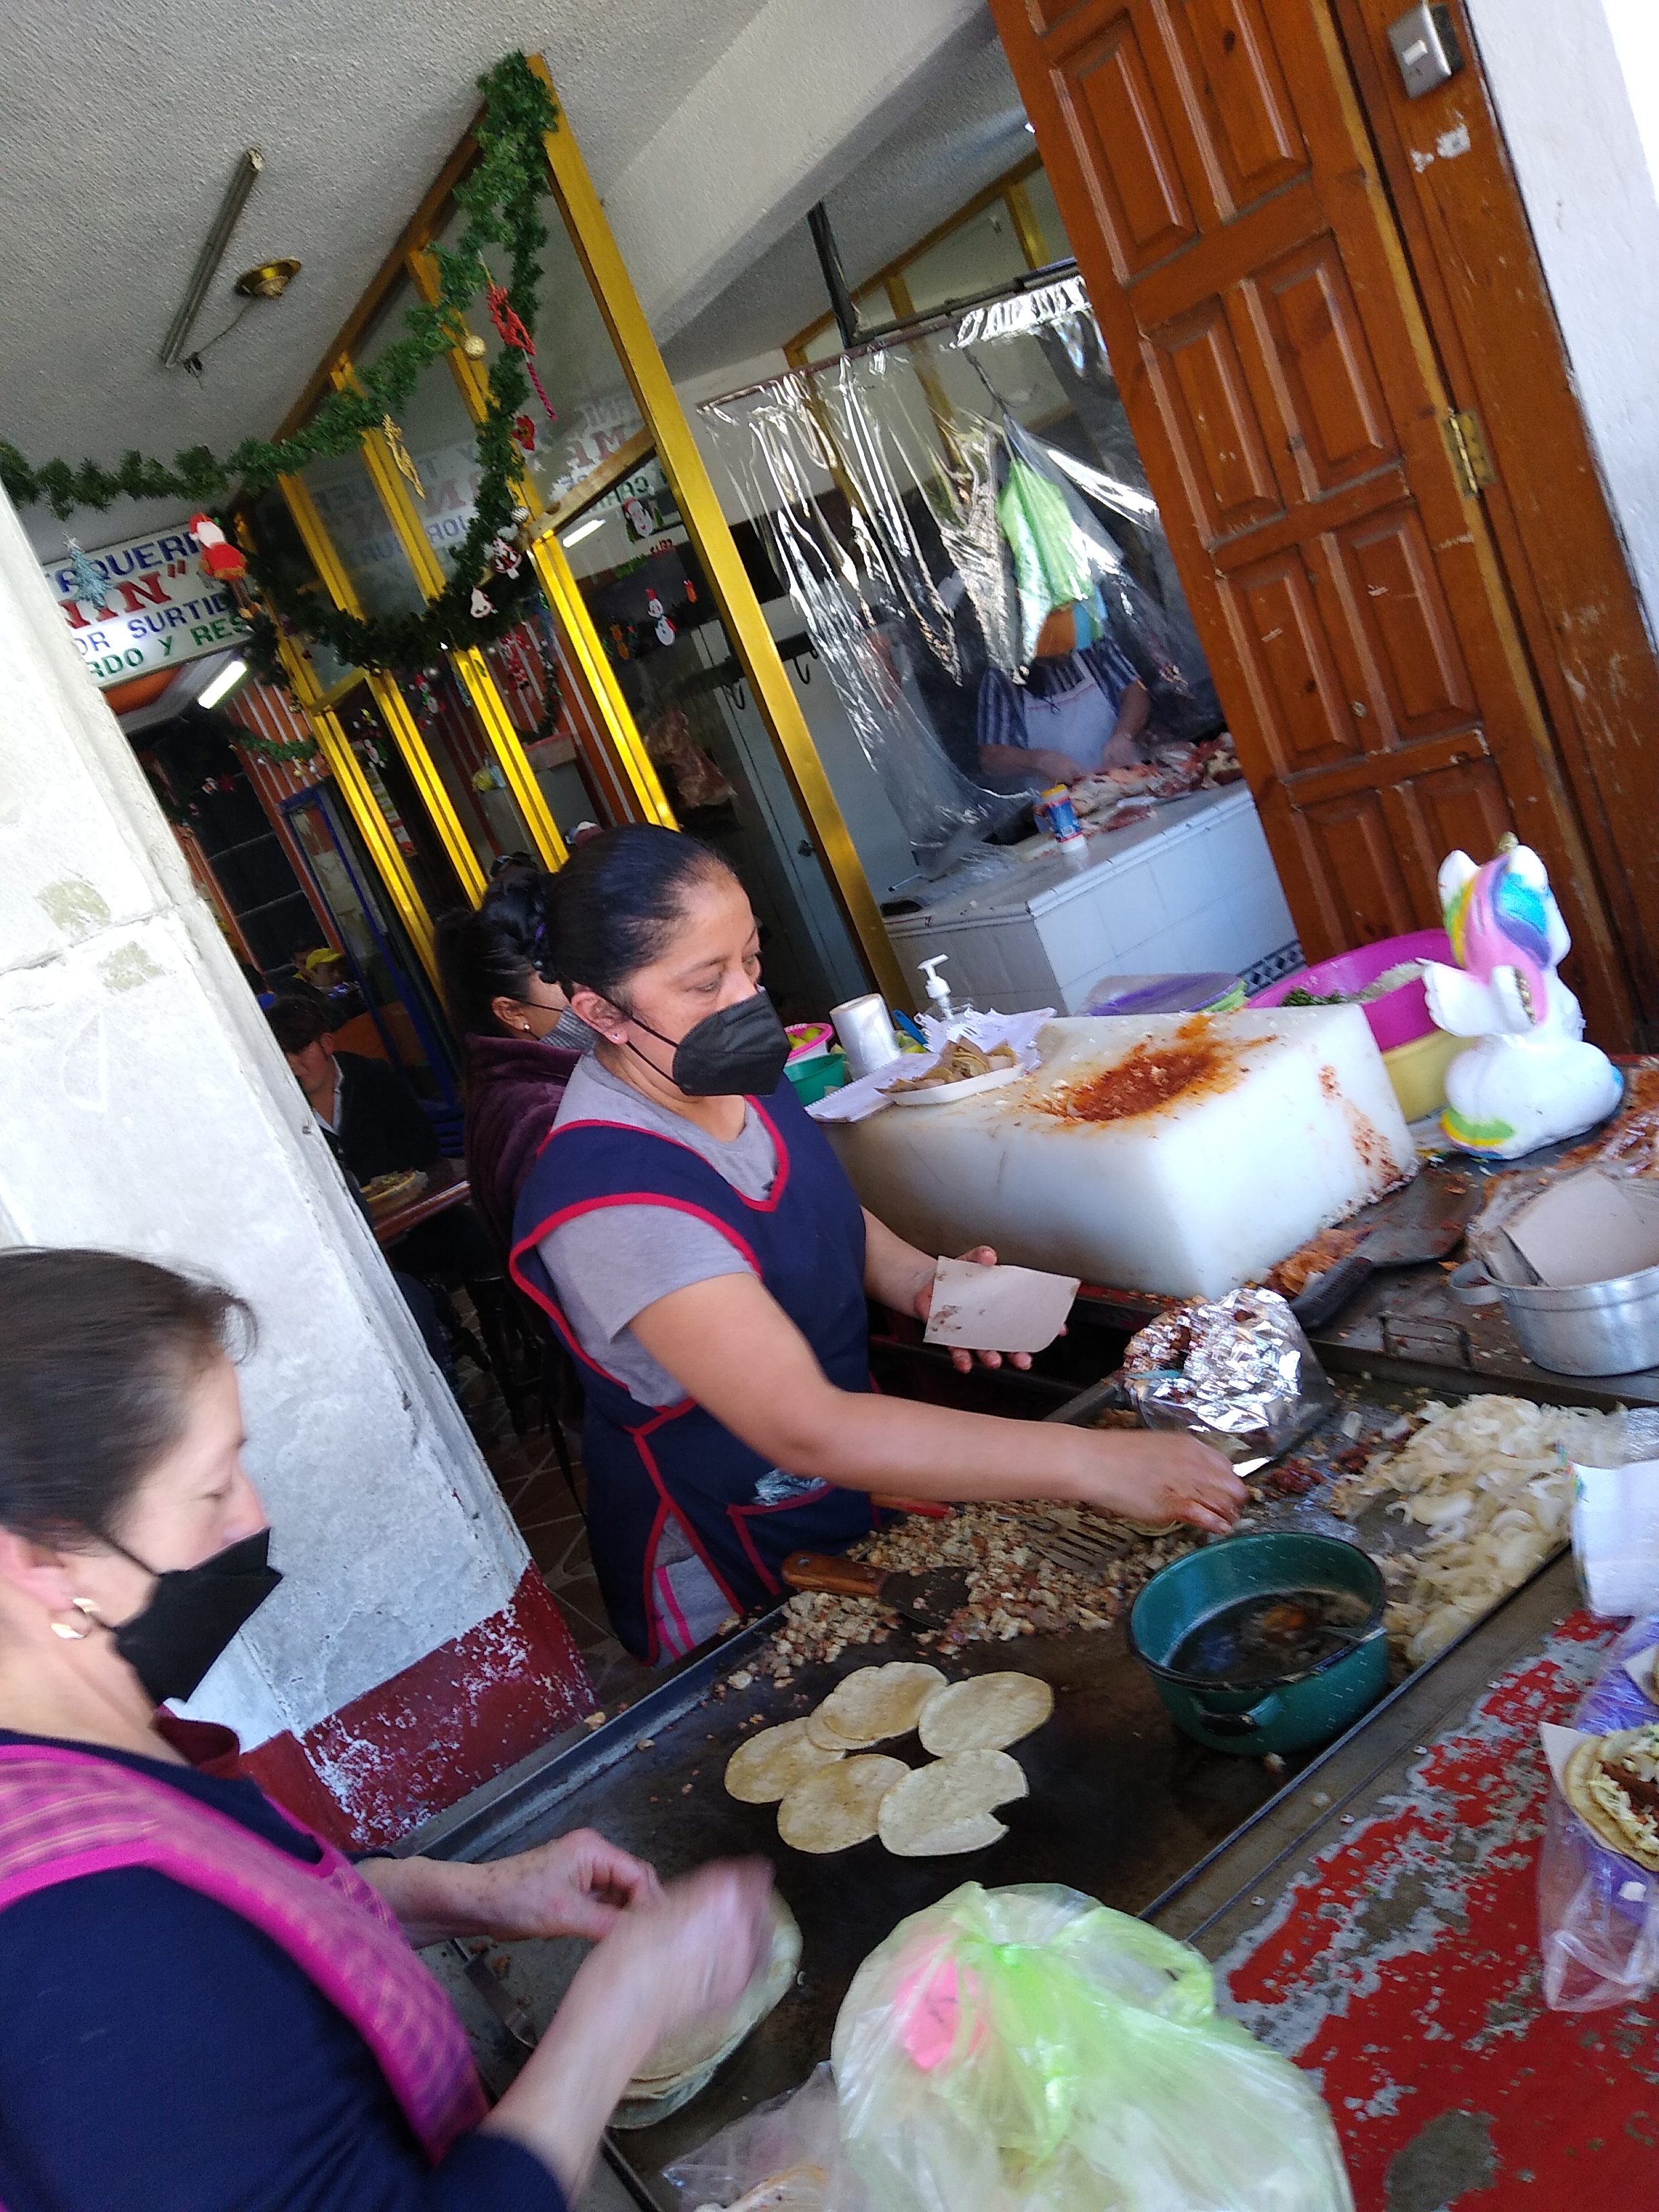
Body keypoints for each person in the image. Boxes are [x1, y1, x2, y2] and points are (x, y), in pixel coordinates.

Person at [0, 1248, 773, 2211]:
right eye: (210, 1489)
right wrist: (622, 2012)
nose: (252, 1515)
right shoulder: (84, 1950)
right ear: (40, 1563)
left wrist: (475, 1894)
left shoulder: (71, 1745)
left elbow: (250, 1920)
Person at [511, 826, 1244, 1664]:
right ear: (601, 1013)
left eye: (751, 959)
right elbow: (806, 1427)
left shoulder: (730, 1071)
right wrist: (1094, 1464)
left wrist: (924, 1283)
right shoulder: (613, 1200)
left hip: (853, 1473)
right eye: (706, 982)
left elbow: (823, 1214)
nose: (745, 999)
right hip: (732, 1538)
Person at [265, 997, 495, 1285]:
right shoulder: (277, 1110)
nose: (292, 1066)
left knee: (475, 1238)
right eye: (281, 1057)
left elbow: (422, 1143)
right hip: (349, 1243)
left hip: (412, 1219)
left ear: (326, 1043)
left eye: (299, 1051)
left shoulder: (373, 1076)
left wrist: (372, 1183)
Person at [434, 876, 592, 1264]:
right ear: (511, 1012)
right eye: (560, 978)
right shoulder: (542, 1114)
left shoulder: (516, 1083)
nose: (591, 993)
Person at [975, 600, 1151, 787]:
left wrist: (1123, 735)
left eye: (1068, 645)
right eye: (1056, 647)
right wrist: (1038, 760)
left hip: (1128, 784)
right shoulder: (1000, 678)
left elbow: (1136, 692)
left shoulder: (1094, 643)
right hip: (1060, 800)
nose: (1066, 654)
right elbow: (991, 758)